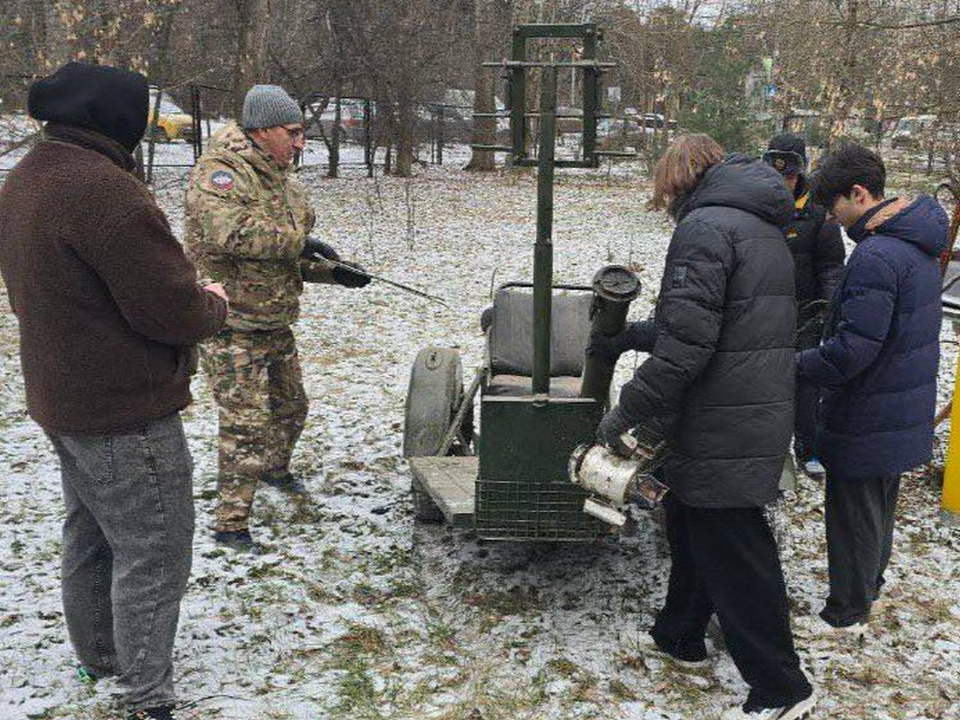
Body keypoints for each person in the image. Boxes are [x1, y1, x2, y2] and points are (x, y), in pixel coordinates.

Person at [0, 62, 228, 720]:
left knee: (93, 534)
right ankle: (147, 697)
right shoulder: (105, 192)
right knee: (154, 552)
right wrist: (213, 303)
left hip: (62, 395)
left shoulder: (30, 174)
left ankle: (103, 656)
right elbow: (172, 312)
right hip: (123, 409)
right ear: (116, 118)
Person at [593, 135, 815, 720]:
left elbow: (686, 347)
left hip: (724, 416)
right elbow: (707, 320)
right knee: (693, 520)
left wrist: (626, 411)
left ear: (676, 181)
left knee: (737, 548)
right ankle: (680, 634)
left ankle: (782, 686)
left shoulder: (705, 229)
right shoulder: (758, 225)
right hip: (747, 403)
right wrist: (629, 336)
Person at [184, 84, 370, 554]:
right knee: (245, 425)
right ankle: (230, 524)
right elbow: (231, 233)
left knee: (291, 407)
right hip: (231, 324)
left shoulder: (284, 181)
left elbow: (288, 259)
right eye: (293, 132)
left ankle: (274, 469)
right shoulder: (221, 173)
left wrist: (333, 273)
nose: (300, 143)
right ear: (262, 130)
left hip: (275, 321)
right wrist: (300, 244)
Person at [798, 143, 946, 632]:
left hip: (868, 409)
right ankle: (869, 583)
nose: (832, 218)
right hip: (898, 405)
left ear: (859, 194)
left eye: (834, 205)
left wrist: (796, 365)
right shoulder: (914, 242)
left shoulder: (877, 255)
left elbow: (851, 351)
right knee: (877, 505)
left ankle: (848, 607)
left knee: (852, 514)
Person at [763, 133, 845, 477]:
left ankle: (808, 449)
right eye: (775, 174)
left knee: (806, 385)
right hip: (762, 311)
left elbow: (831, 268)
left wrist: (827, 311)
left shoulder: (818, 213)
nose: (782, 182)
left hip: (806, 313)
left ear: (799, 174)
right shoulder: (756, 205)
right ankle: (766, 447)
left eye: (788, 176)